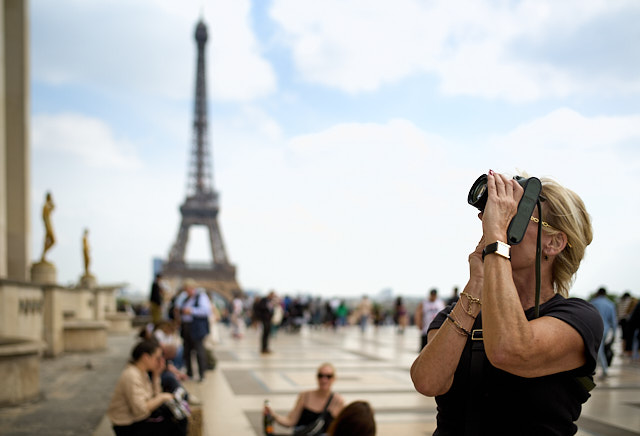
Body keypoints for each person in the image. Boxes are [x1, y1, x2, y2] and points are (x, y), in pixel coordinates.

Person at [410, 170, 603, 436]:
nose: (498, 223)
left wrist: (497, 243)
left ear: (554, 242)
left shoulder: (579, 319)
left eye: (517, 216)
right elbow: (428, 382)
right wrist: (477, 282)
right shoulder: (458, 314)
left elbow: (509, 349)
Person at [107, 340, 187, 436]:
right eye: (157, 358)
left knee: (175, 417)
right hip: (127, 426)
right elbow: (141, 411)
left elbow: (153, 397)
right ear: (145, 357)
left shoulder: (141, 371)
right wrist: (162, 397)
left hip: (136, 419)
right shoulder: (132, 375)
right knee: (173, 426)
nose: (160, 362)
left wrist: (156, 375)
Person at [264, 363, 345, 434]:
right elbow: (290, 421)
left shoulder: (338, 401)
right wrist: (273, 415)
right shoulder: (305, 396)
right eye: (321, 376)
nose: (324, 380)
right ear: (317, 377)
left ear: (334, 379)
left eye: (328, 376)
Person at [175, 279, 212, 382]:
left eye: (188, 289)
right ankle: (189, 373)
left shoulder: (201, 297)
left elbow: (206, 311)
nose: (186, 291)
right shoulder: (185, 298)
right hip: (186, 326)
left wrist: (191, 311)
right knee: (187, 351)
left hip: (196, 327)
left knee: (199, 351)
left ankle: (201, 374)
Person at [590, 287, 617, 378]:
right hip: (605, 330)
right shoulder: (611, 304)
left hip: (594, 329)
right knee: (600, 350)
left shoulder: (593, 302)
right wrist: (614, 334)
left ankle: (601, 369)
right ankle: (601, 369)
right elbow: (613, 321)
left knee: (597, 350)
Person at [40, 192, 55, 262]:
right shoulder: (45, 206)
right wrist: (47, 227)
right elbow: (43, 217)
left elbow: (53, 207)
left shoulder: (47, 206)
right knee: (51, 241)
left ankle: (43, 255)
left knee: (51, 242)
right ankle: (43, 255)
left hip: (49, 226)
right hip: (48, 227)